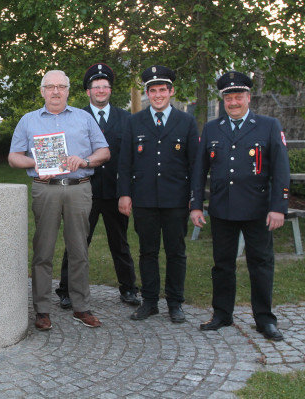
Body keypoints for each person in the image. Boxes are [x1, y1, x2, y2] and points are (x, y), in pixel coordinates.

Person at [190, 71, 290, 341]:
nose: (233, 102)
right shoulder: (212, 128)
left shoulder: (268, 125)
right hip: (222, 209)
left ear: (248, 97)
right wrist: (196, 205)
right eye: (228, 98)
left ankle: (265, 319)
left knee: (261, 264)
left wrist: (278, 207)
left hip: (258, 209)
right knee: (222, 265)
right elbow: (200, 171)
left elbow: (281, 170)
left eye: (238, 97)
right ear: (223, 100)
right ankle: (222, 314)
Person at [9, 70, 110, 330]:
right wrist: (38, 163)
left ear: (68, 90)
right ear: (42, 91)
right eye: (50, 87)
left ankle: (81, 307)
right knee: (43, 250)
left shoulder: (84, 118)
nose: (56, 91)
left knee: (79, 249)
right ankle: (42, 310)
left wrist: (86, 161)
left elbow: (104, 151)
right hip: (46, 189)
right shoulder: (28, 120)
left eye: (61, 87)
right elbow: (14, 157)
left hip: (79, 188)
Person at [118, 65, 199, 323]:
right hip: (145, 199)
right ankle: (150, 301)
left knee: (176, 252)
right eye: (152, 91)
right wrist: (124, 194)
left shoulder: (186, 122)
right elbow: (125, 162)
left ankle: (175, 303)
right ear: (147, 94)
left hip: (176, 199)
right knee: (147, 252)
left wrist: (194, 199)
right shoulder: (135, 122)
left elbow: (195, 164)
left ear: (171, 91)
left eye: (162, 90)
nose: (158, 95)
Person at [57, 63, 140, 309]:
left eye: (105, 86)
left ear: (110, 90)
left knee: (120, 243)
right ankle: (66, 290)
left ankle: (128, 289)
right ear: (88, 91)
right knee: (77, 241)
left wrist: (128, 191)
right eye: (96, 87)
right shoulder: (74, 117)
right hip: (83, 190)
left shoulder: (127, 119)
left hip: (116, 191)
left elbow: (130, 158)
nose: (101, 90)